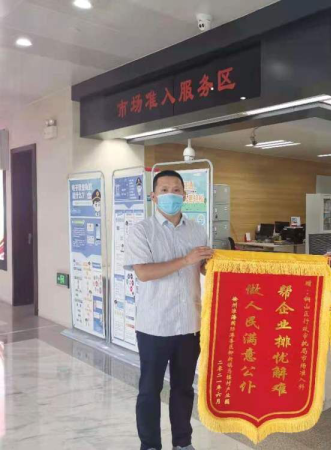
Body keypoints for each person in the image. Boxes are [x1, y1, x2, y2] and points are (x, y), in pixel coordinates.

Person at [124, 170, 213, 450]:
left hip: (189, 324)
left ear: (185, 195)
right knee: (149, 390)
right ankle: (150, 444)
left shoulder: (197, 230)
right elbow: (144, 273)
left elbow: (203, 268)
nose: (171, 195)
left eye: (176, 189)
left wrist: (216, 265)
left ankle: (182, 443)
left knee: (183, 388)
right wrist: (186, 260)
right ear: (153, 196)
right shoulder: (141, 231)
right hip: (155, 325)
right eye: (164, 190)